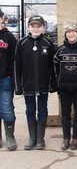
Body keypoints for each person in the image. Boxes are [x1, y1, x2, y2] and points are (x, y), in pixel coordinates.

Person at [14, 15, 57, 150]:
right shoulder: (21, 43)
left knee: (43, 110)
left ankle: (40, 139)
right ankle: (32, 138)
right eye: (33, 26)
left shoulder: (48, 43)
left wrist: (52, 84)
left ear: (43, 27)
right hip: (28, 85)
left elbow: (53, 66)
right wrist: (18, 86)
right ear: (28, 27)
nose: (36, 29)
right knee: (30, 110)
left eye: (39, 26)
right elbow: (17, 66)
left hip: (43, 84)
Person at [54, 20, 77, 150]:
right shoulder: (59, 51)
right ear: (65, 34)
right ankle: (66, 138)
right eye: (68, 32)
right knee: (65, 114)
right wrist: (58, 84)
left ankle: (76, 138)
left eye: (73, 32)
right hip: (64, 89)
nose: (71, 34)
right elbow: (55, 69)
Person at [0, 9, 17, 151]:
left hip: (5, 79)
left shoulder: (9, 37)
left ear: (2, 19)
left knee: (6, 108)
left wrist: (12, 77)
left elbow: (14, 59)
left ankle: (10, 136)